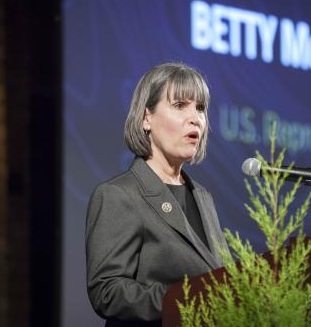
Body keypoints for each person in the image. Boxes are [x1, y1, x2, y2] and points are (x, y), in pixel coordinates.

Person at [86, 62, 229, 326]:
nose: (195, 118)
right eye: (179, 106)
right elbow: (107, 291)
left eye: (200, 108)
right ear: (145, 118)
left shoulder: (203, 197)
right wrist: (187, 301)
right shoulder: (118, 195)